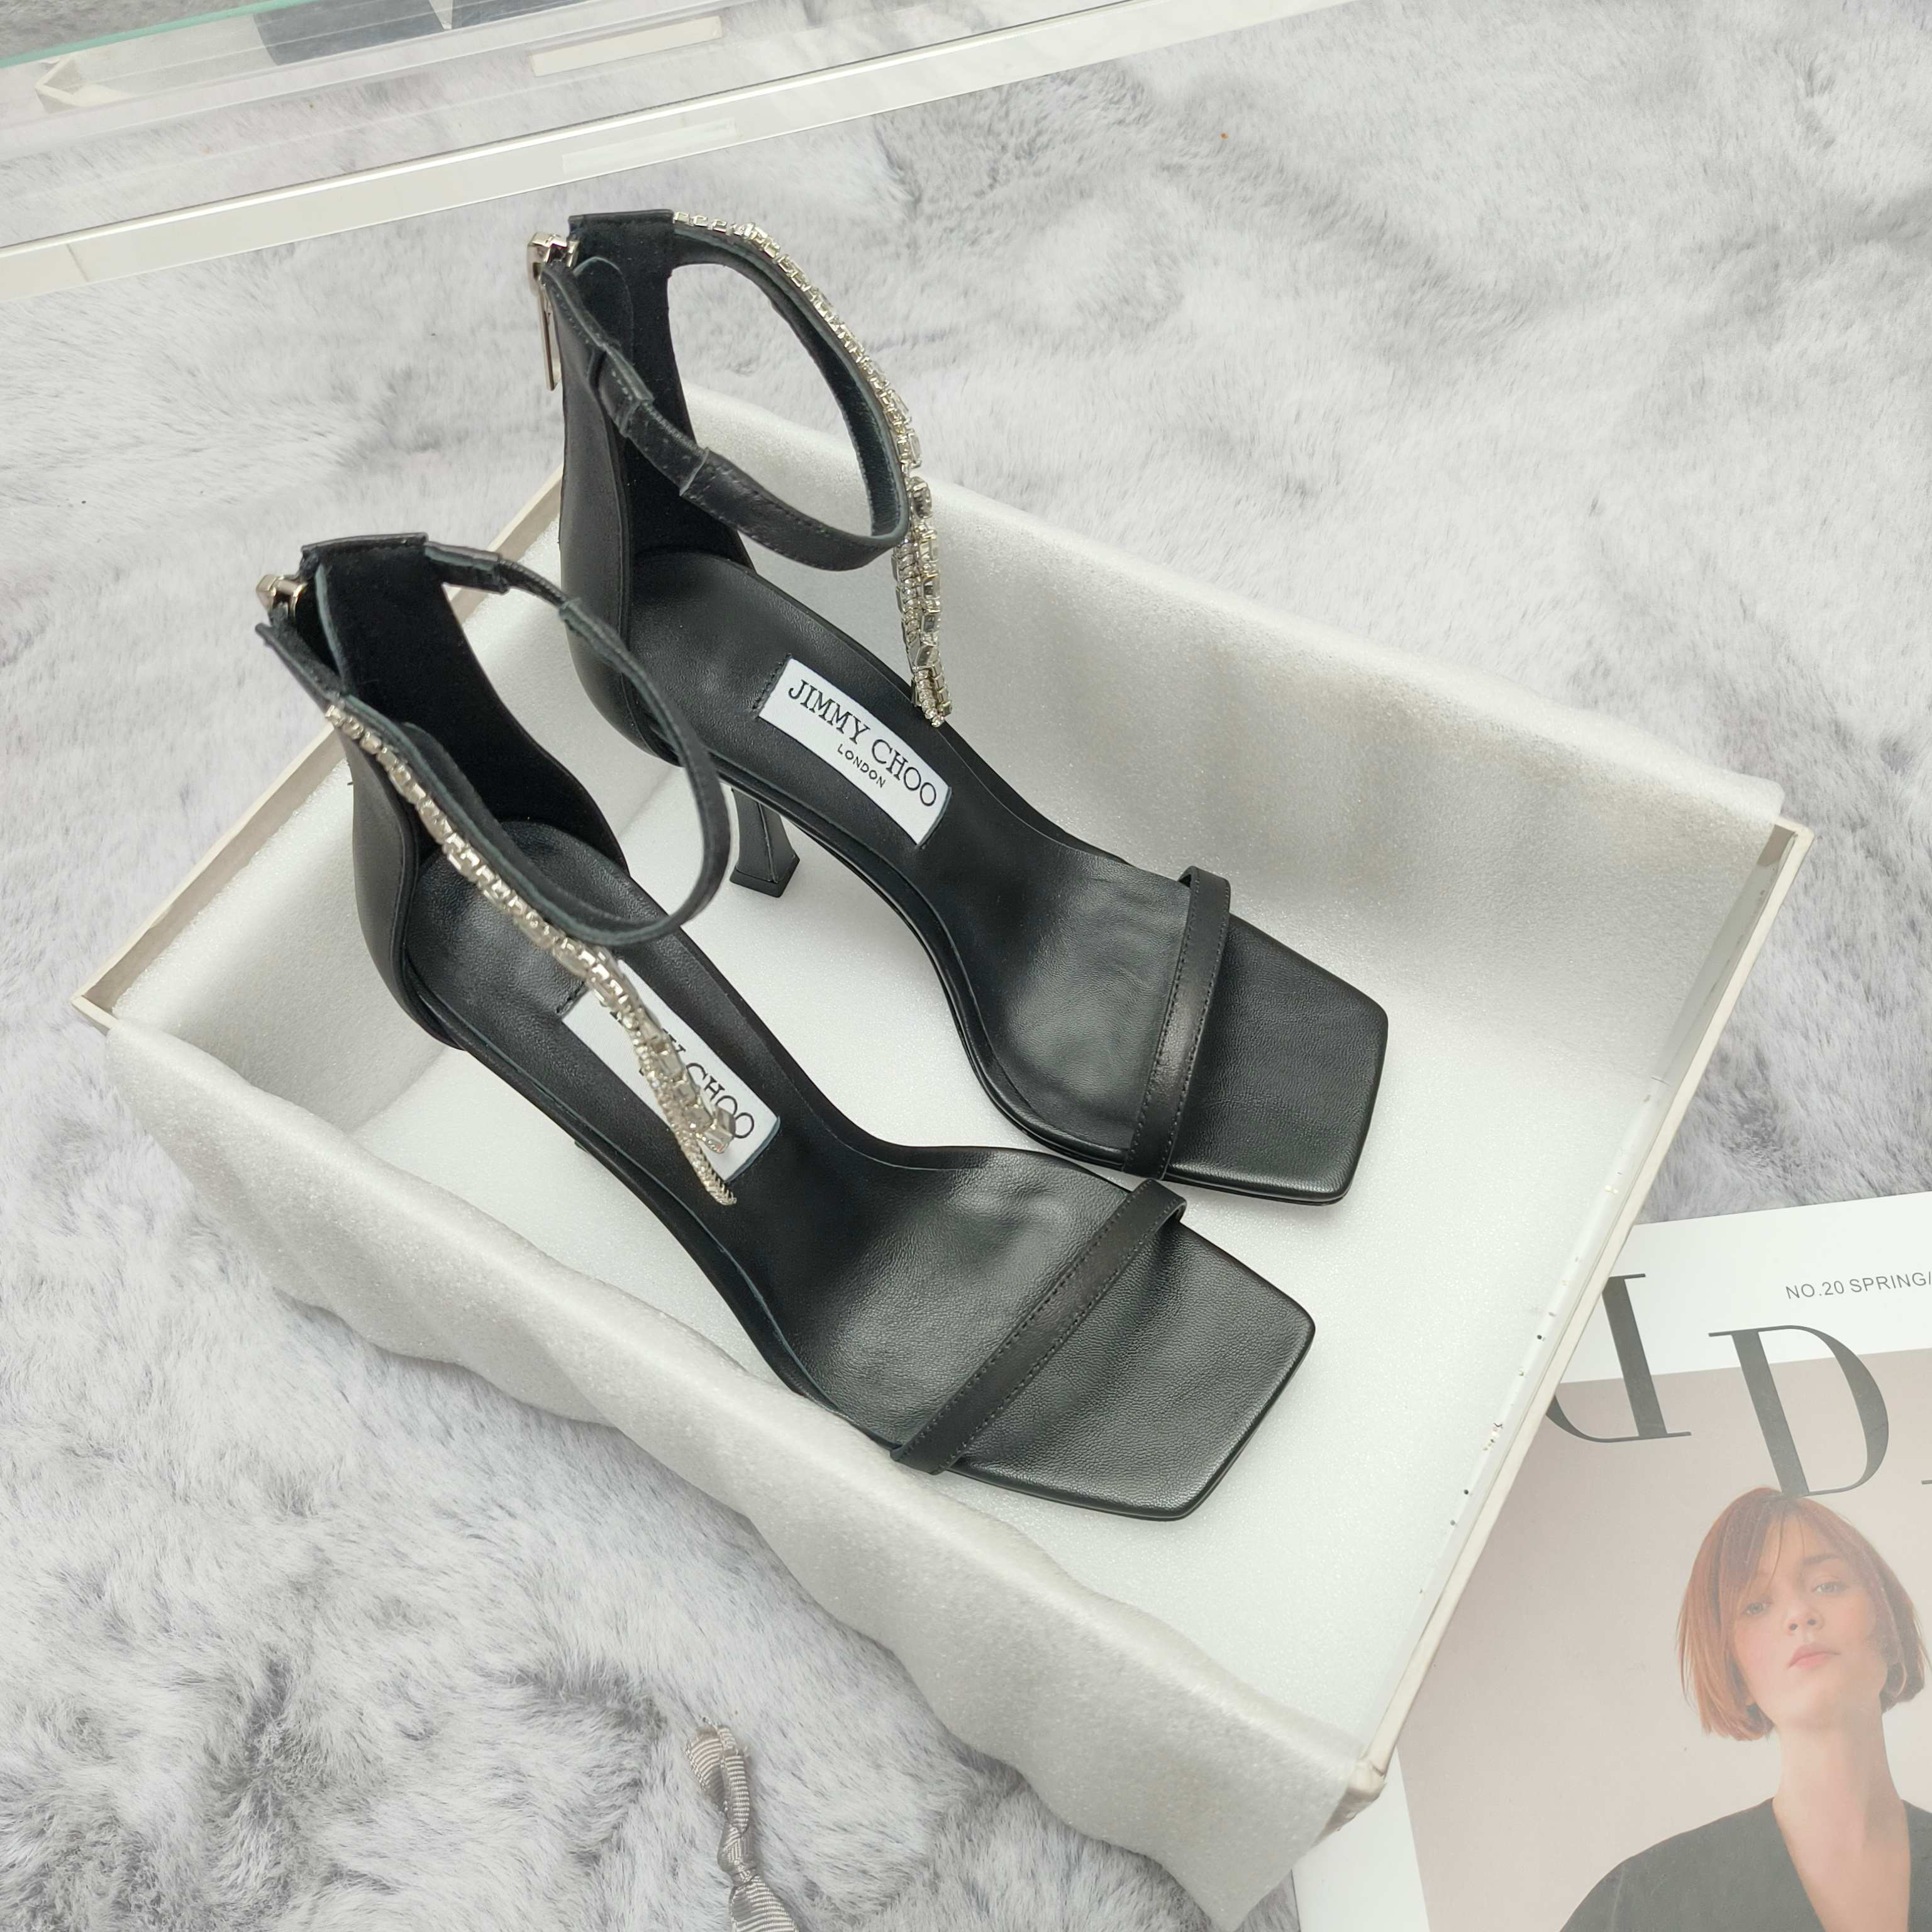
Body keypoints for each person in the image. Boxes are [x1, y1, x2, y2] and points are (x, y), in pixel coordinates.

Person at [1563, 1488, 1932, 1930]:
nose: (1799, 1613)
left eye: (1827, 1585)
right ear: (1734, 1674)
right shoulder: (1644, 1905)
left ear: (1888, 1627)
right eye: (1755, 1606)